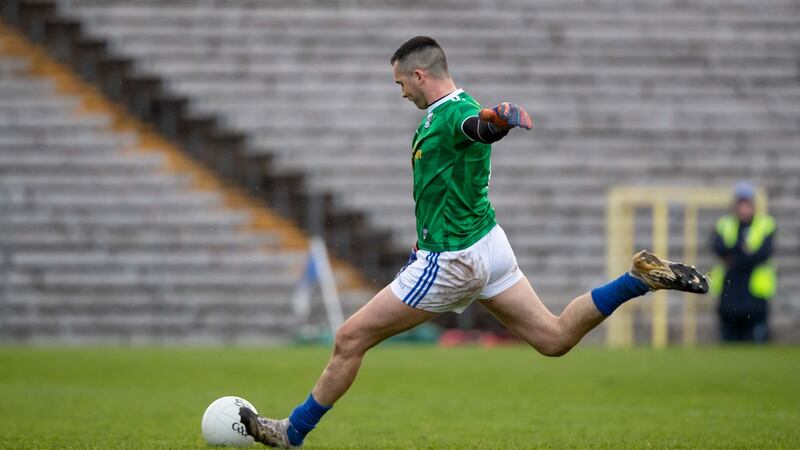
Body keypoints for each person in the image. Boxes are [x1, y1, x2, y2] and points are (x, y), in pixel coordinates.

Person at [239, 36, 709, 448]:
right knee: (554, 338)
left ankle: (291, 433)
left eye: (401, 82)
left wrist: (499, 122)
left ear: (420, 75)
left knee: (349, 338)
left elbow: (478, 127)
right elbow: (472, 136)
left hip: (453, 261)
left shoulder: (453, 114)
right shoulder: (453, 109)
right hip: (489, 246)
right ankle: (636, 280)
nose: (400, 91)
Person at [710, 182, 776, 343]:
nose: (743, 208)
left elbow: (763, 254)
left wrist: (735, 255)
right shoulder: (724, 224)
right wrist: (745, 251)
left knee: (756, 339)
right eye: (741, 204)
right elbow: (718, 247)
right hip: (730, 289)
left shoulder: (765, 224)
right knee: (729, 339)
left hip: (755, 292)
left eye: (747, 204)